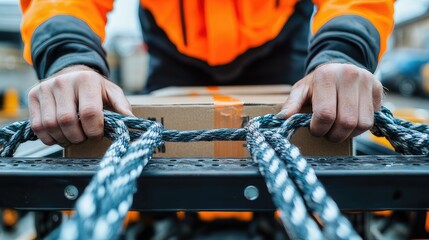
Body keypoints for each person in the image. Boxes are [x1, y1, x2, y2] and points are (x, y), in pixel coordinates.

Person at [19, 0, 394, 146]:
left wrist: (343, 51)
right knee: (159, 159)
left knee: (311, 141)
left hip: (278, 42)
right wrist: (70, 59)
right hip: (174, 47)